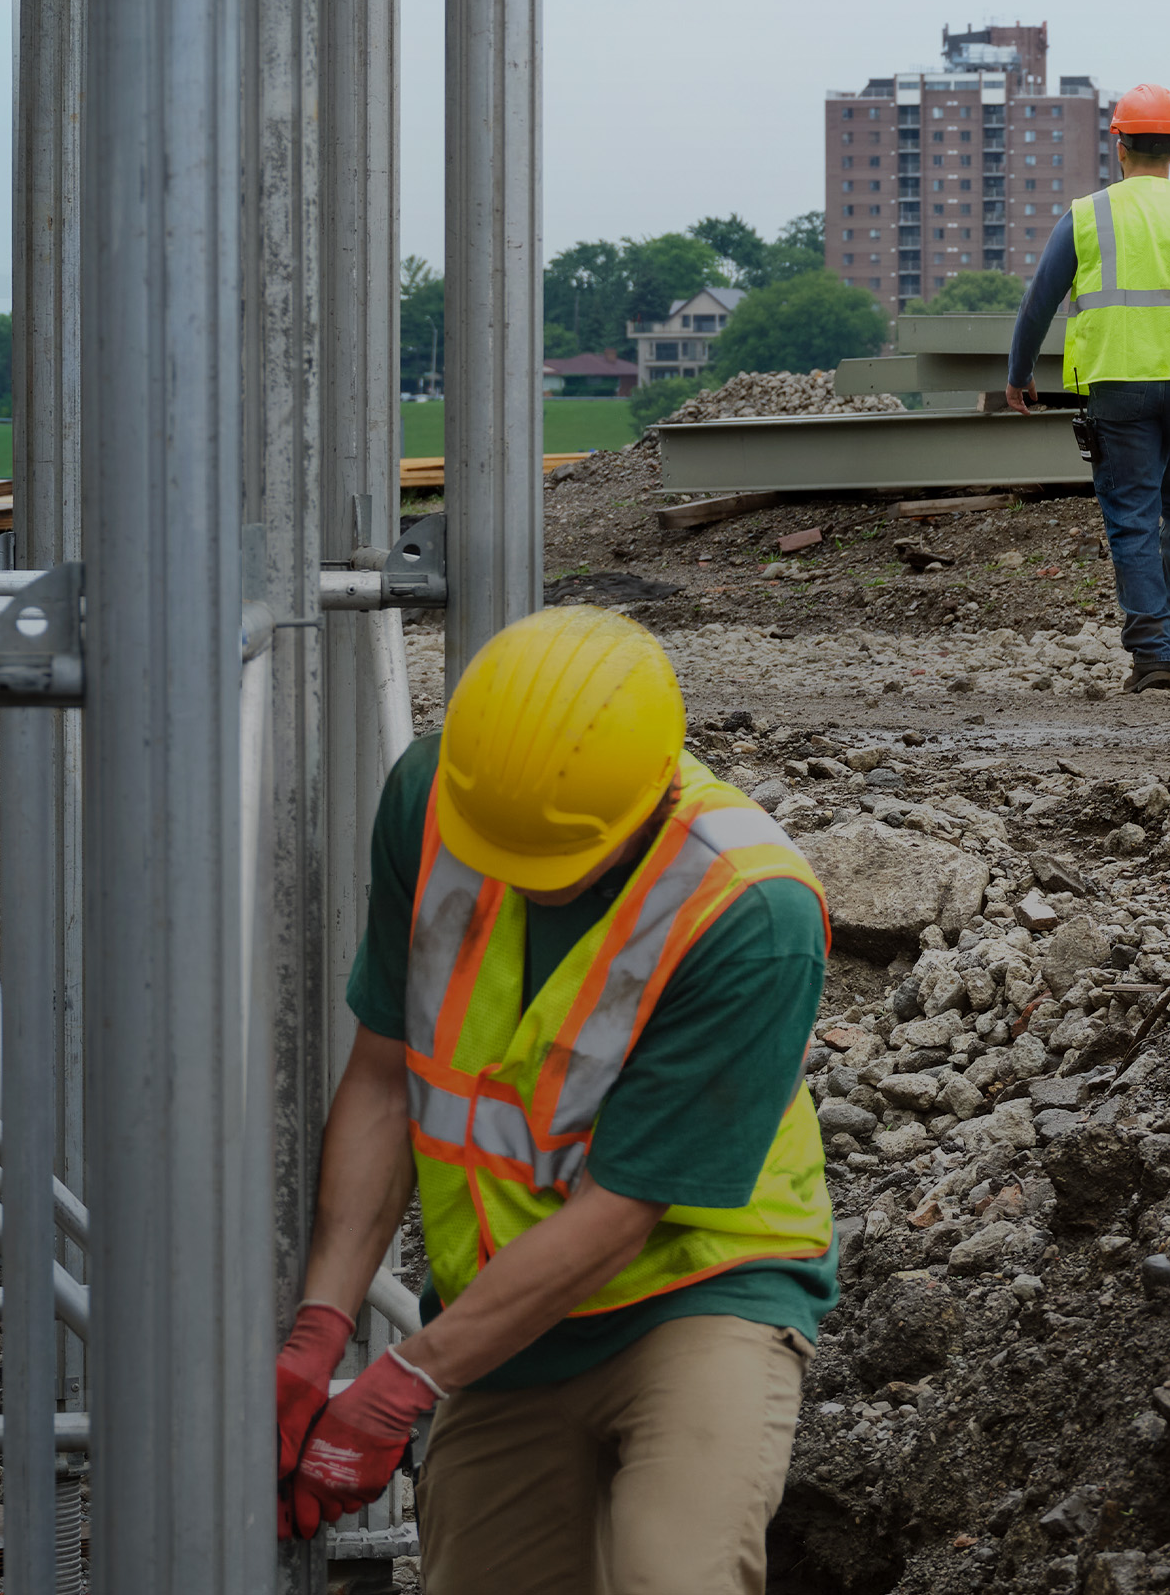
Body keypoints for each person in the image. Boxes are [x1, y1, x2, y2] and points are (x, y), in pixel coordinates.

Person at [274, 603, 834, 1585]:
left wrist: (404, 1379)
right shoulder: (436, 799)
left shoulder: (749, 911)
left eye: (550, 864)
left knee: (675, 1574)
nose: (517, 882)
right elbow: (380, 1079)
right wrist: (323, 1319)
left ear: (654, 792)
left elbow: (620, 1212)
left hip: (697, 1286)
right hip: (505, 1310)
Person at [1004, 83, 1170, 686]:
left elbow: (1036, 306)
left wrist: (1019, 377)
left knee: (1131, 518)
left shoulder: (1087, 215)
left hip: (1118, 386)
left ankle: (1153, 658)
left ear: (1118, 144)